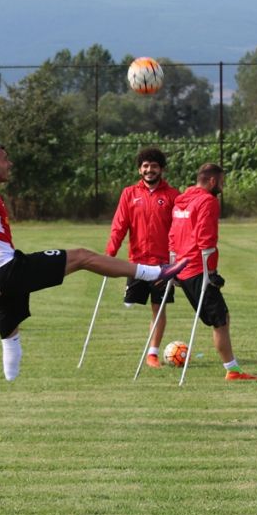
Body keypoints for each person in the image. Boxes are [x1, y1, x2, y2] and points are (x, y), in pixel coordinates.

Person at [0, 141, 187, 381]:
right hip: (7, 270)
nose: (10, 164)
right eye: (5, 159)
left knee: (10, 333)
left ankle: (11, 384)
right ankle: (153, 273)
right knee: (82, 256)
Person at [169, 163, 257, 381]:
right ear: (212, 181)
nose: (222, 187)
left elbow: (173, 235)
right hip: (199, 270)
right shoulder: (208, 201)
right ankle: (233, 371)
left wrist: (173, 266)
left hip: (182, 270)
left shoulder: (181, 200)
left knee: (219, 318)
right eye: (222, 182)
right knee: (221, 320)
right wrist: (212, 271)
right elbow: (205, 238)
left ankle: (233, 368)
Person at [105, 147, 180, 368]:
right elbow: (119, 225)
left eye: (154, 166)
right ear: (140, 169)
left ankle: (153, 353)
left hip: (162, 264)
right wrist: (110, 254)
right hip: (136, 262)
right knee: (130, 303)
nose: (149, 170)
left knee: (158, 307)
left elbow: (179, 230)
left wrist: (176, 262)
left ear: (161, 169)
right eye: (145, 166)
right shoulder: (129, 193)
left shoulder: (173, 196)